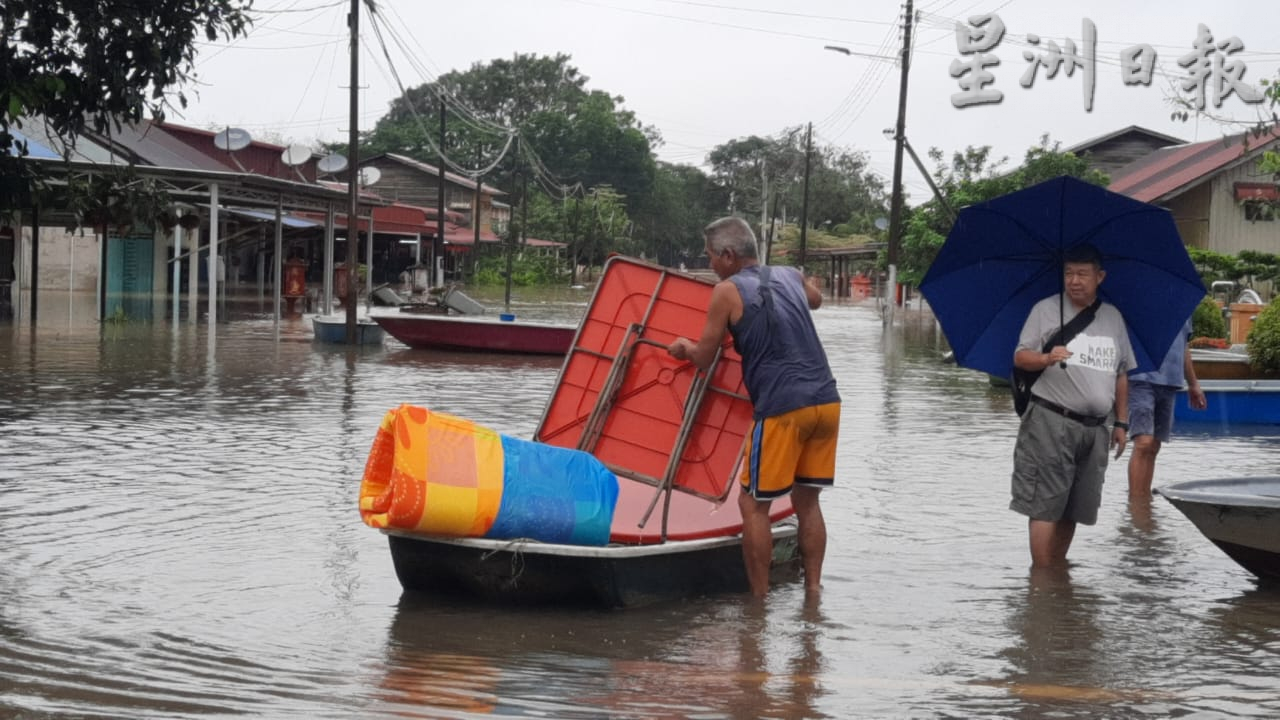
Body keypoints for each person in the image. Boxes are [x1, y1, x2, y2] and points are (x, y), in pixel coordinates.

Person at [667, 217, 840, 597]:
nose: (710, 264)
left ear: (728, 255)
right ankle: (813, 593)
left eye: (711, 257)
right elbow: (816, 299)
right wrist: (806, 282)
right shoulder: (790, 275)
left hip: (782, 407)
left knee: (754, 503)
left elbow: (704, 356)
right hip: (827, 401)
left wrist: (683, 347)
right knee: (806, 500)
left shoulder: (727, 292)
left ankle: (758, 605)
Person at [1010, 243, 1134, 568]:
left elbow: (1121, 373)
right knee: (1044, 503)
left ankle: (1056, 571)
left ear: (1100, 276)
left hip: (1095, 428)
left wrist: (1121, 423)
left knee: (1076, 506)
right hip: (1050, 420)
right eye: (1068, 273)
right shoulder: (1045, 310)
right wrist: (1046, 357)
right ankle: (1041, 578)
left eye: (1082, 273)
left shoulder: (1113, 317)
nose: (1074, 280)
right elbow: (1021, 358)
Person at [1127, 318, 1207, 499]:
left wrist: (1193, 384)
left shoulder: (1184, 308)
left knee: (1154, 445)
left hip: (1170, 381)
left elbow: (1184, 347)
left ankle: (1144, 499)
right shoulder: (1142, 303)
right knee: (1143, 442)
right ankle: (1135, 503)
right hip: (1140, 378)